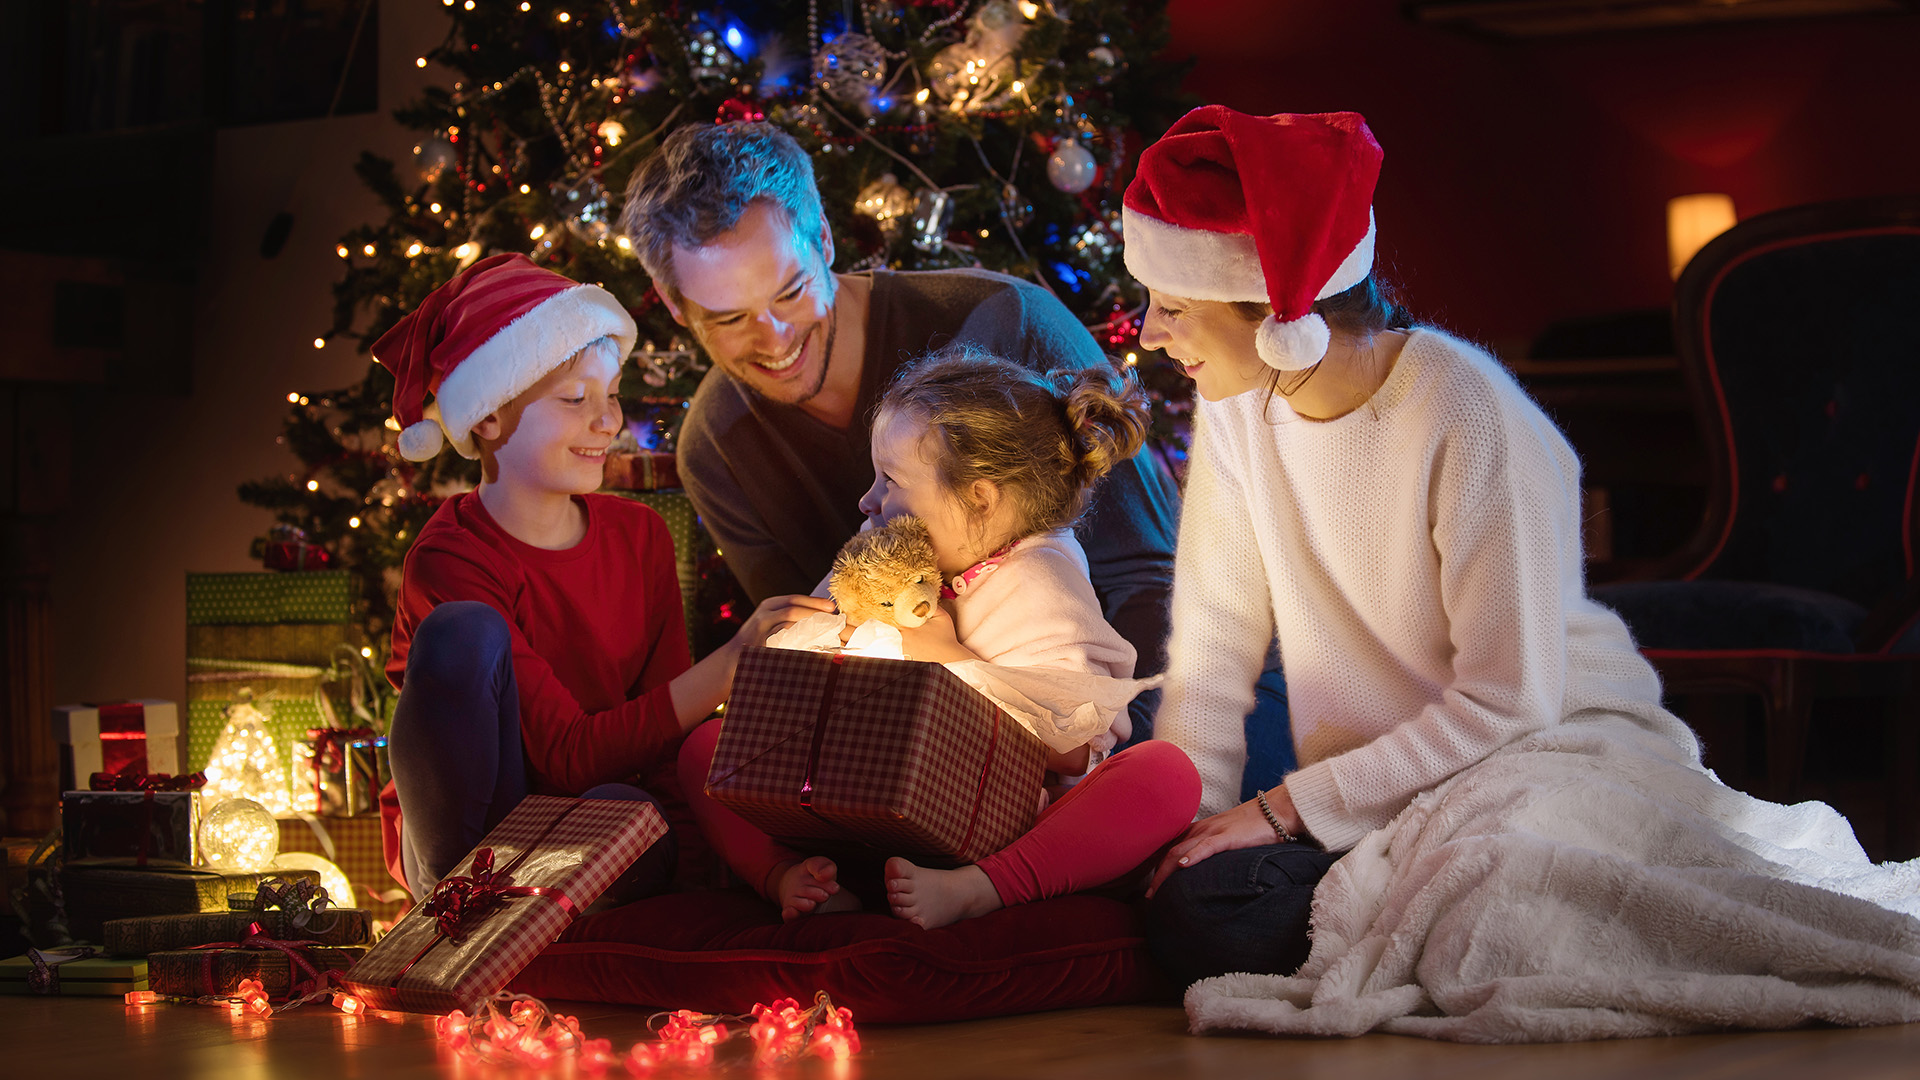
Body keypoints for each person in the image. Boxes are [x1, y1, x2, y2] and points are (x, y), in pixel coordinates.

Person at [1129, 106, 1920, 1041]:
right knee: (1193, 905)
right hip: (1387, 791)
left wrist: (1283, 809)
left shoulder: (1464, 410)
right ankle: (1384, 910)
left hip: (1547, 749)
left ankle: (1440, 914)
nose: (1147, 334)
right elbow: (1216, 643)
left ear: (1274, 313)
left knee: (1488, 909)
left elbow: (1509, 702)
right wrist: (1193, 826)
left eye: (1172, 305)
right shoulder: (1234, 412)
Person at [619, 121, 1204, 746]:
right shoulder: (717, 448)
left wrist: (1111, 771)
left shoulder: (1004, 322)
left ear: (822, 238)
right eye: (729, 318)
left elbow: (1151, 574)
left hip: (1120, 722)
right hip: (923, 752)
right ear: (675, 305)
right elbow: (818, 639)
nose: (774, 339)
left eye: (790, 293)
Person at [676, 345, 1201, 928]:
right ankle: (790, 877)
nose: (867, 500)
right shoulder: (881, 547)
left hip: (993, 825)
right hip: (852, 806)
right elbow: (802, 662)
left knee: (1165, 775)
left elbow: (1074, 747)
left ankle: (983, 888)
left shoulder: (1040, 579)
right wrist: (823, 637)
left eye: (890, 480)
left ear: (978, 497)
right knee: (706, 747)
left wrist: (947, 657)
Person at [374, 253, 829, 899]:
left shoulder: (637, 536)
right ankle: (461, 902)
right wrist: (733, 662)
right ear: (487, 417)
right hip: (480, 823)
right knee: (462, 630)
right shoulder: (451, 559)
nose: (607, 421)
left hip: (587, 813)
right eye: (574, 399)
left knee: (624, 810)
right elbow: (564, 752)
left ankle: (558, 899)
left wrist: (734, 876)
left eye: (610, 396)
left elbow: (666, 742)